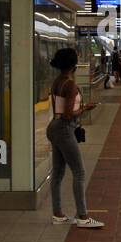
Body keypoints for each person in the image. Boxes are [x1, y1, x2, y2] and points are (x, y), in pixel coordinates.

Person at [46, 48, 104, 228]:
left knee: (58, 172)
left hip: (54, 127)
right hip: (64, 128)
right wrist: (86, 108)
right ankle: (83, 217)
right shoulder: (70, 85)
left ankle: (58, 214)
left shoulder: (57, 82)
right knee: (79, 172)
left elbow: (60, 110)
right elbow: (69, 114)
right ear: (73, 65)